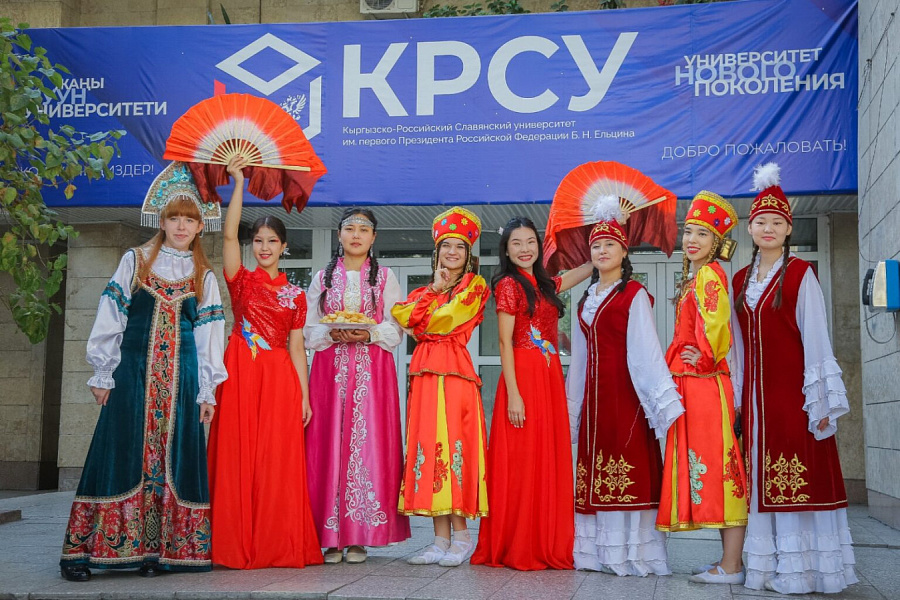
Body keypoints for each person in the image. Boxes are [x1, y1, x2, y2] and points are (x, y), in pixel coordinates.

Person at [60, 162, 227, 581]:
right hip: (132, 374)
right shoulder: (134, 261)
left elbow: (209, 334)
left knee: (174, 457)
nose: (182, 226)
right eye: (175, 218)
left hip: (182, 380)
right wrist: (103, 372)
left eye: (190, 219)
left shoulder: (203, 275)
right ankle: (86, 552)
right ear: (162, 220)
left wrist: (207, 390)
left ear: (200, 226)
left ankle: (161, 551)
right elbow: (111, 314)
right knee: (118, 451)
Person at [732, 163, 857, 594]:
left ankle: (802, 572)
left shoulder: (802, 274)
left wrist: (819, 401)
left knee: (798, 478)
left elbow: (817, 338)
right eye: (760, 222)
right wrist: (736, 399)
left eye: (776, 222)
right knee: (760, 482)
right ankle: (767, 569)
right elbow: (737, 347)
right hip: (756, 403)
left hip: (793, 398)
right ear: (750, 228)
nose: (768, 228)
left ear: (788, 229)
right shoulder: (739, 281)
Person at [206, 156, 323, 569]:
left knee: (276, 461)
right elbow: (227, 237)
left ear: (284, 246)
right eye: (258, 240)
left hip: (279, 379)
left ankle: (275, 543)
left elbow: (297, 348)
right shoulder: (241, 280)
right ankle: (234, 543)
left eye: (272, 241)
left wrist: (304, 396)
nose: (265, 247)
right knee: (238, 457)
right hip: (240, 371)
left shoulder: (296, 295)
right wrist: (238, 183)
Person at [566, 198, 684, 576]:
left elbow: (645, 352)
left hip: (626, 400)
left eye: (610, 245)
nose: (602, 251)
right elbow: (580, 359)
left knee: (625, 470)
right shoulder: (585, 299)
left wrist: (661, 406)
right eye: (596, 245)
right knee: (594, 471)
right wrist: (573, 406)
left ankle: (632, 555)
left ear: (624, 251)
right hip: (595, 402)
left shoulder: (634, 294)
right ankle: (596, 554)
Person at [470, 217, 592, 571]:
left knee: (545, 457)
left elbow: (582, 271)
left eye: (530, 242)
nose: (525, 249)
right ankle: (519, 542)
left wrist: (607, 239)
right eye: (516, 243)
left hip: (549, 376)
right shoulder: (509, 284)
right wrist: (514, 394)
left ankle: (544, 538)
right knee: (523, 462)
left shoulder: (544, 284)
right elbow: (504, 342)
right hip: (523, 377)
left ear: (539, 247)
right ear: (506, 251)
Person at [304, 208, 410, 564]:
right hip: (329, 372)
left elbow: (396, 327)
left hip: (372, 373)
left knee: (367, 444)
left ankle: (358, 537)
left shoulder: (385, 278)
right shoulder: (322, 278)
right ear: (339, 235)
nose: (356, 235)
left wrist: (368, 333)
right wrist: (331, 333)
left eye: (364, 230)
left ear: (373, 237)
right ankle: (330, 537)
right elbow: (309, 328)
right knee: (328, 443)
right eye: (349, 228)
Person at [656, 190, 748, 585]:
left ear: (717, 242)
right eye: (688, 232)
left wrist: (705, 358)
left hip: (704, 385)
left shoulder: (709, 274)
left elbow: (717, 324)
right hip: (696, 384)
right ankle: (727, 561)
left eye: (702, 234)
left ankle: (732, 565)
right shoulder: (697, 276)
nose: (692, 240)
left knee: (723, 469)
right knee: (713, 469)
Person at [391, 207, 490, 567]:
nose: (452, 252)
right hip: (425, 376)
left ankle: (462, 536)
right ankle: (439, 539)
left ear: (469, 254)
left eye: (460, 247)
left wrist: (421, 321)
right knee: (428, 450)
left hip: (456, 374)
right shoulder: (426, 289)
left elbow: (444, 321)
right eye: (446, 245)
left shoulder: (476, 286)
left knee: (453, 448)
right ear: (437, 252)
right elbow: (401, 315)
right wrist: (433, 291)